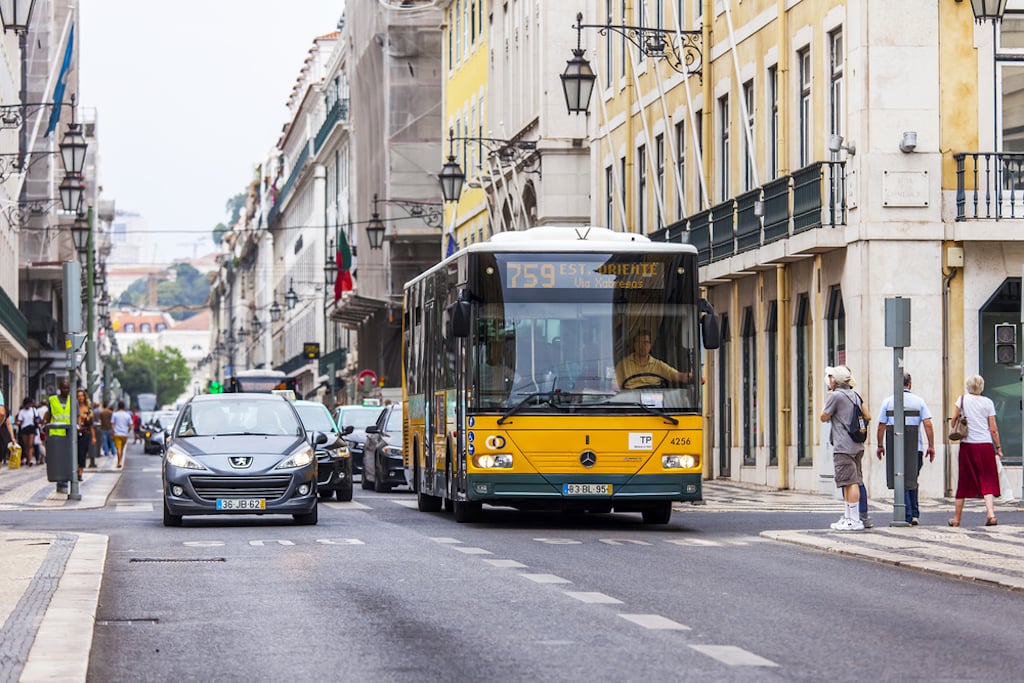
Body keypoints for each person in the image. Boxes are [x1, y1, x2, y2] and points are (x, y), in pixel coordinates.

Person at [875, 373, 935, 526]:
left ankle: (907, 515)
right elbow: (928, 424)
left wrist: (880, 445)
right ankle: (914, 513)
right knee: (912, 479)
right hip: (916, 448)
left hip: (895, 447)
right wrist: (931, 446)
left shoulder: (888, 401)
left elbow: (881, 426)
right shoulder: (919, 401)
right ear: (910, 383)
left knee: (900, 479)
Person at [820, 365, 872, 531]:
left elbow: (823, 417)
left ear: (835, 380)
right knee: (852, 480)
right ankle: (849, 517)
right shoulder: (855, 395)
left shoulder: (836, 396)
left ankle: (854, 519)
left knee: (850, 482)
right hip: (857, 444)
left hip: (843, 445)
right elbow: (867, 415)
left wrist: (828, 400)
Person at [948, 374, 1002, 527]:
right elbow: (993, 428)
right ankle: (991, 514)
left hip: (968, 445)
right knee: (988, 479)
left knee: (964, 481)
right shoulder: (988, 402)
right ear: (982, 386)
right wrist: (998, 447)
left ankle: (957, 519)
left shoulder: (962, 400)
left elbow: (953, 422)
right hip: (985, 445)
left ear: (968, 386)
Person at [615, 330, 694, 389]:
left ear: (650, 345)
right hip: (631, 406)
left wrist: (693, 377)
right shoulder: (623, 365)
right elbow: (615, 387)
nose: (642, 346)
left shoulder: (658, 365)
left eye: (645, 343)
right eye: (639, 343)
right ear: (634, 345)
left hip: (654, 406)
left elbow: (677, 376)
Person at [43, 378, 73, 493]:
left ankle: (64, 482)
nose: (66, 390)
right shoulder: (52, 400)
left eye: (68, 388)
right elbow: (49, 414)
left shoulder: (72, 400)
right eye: (64, 388)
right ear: (60, 388)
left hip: (68, 434)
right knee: (57, 459)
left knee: (67, 459)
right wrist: (45, 426)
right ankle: (60, 481)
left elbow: (76, 416)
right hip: (55, 434)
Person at [16, 397, 42, 466]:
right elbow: (20, 420)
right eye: (28, 404)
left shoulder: (33, 410)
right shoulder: (22, 412)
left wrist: (37, 421)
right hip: (24, 428)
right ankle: (27, 458)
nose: (29, 405)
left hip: (31, 427)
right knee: (26, 445)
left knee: (30, 445)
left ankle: (29, 460)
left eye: (30, 404)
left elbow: (37, 418)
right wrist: (18, 423)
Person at [75, 389, 94, 482]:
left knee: (83, 453)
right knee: (76, 452)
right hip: (75, 433)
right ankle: (76, 469)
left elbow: (91, 424)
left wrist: (93, 437)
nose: (80, 398)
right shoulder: (73, 407)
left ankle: (80, 472)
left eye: (82, 396)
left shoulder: (88, 409)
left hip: (85, 432)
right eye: (78, 396)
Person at [111, 400, 133, 468]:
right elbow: (130, 425)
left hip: (117, 434)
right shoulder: (127, 415)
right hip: (124, 434)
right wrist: (127, 431)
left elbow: (112, 424)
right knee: (122, 449)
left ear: (118, 406)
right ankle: (120, 461)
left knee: (118, 448)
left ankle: (119, 462)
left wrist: (114, 431)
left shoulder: (115, 414)